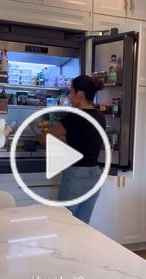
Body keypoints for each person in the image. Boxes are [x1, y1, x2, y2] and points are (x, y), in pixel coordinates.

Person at [31, 75, 106, 224]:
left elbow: (44, 140)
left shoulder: (73, 118)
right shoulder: (100, 116)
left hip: (76, 175)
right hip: (95, 174)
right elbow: (82, 142)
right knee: (82, 223)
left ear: (80, 94)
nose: (69, 97)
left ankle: (64, 248)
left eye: (71, 92)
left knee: (63, 222)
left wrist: (34, 127)